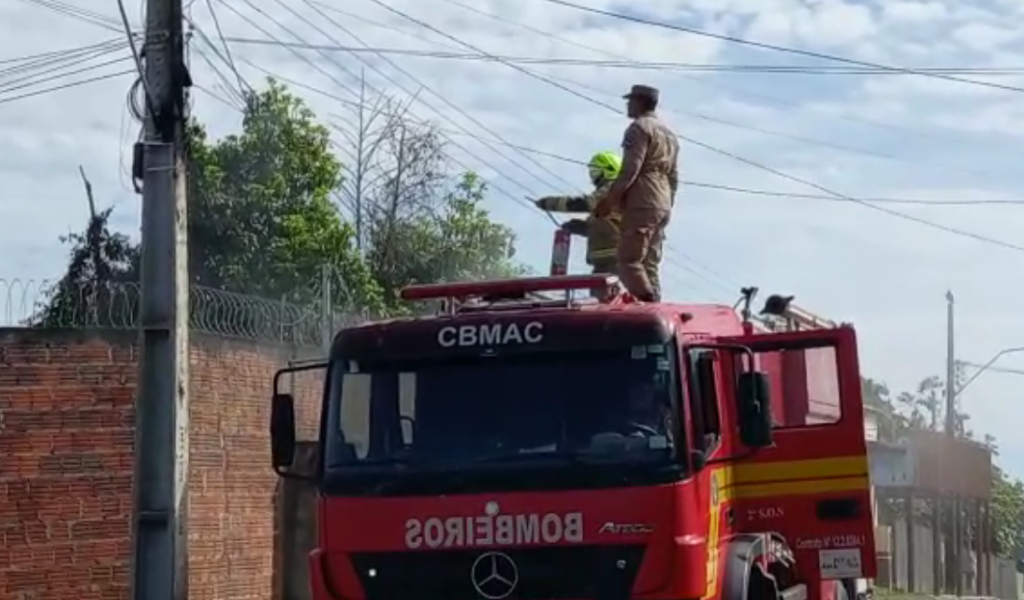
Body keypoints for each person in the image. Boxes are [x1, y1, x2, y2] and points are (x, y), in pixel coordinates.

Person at [597, 84, 680, 302]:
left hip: (643, 199)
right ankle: (656, 304)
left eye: (631, 100)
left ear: (640, 102)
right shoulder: (670, 135)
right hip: (663, 202)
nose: (628, 104)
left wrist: (610, 201)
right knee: (649, 263)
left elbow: (630, 169)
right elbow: (674, 176)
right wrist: (668, 204)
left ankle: (648, 306)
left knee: (628, 261)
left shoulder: (639, 128)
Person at [533, 151, 623, 294]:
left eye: (596, 172)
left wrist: (549, 203)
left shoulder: (613, 189)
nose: (593, 177)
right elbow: (607, 225)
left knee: (611, 303)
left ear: (610, 170)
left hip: (616, 258)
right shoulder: (611, 197)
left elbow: (584, 203)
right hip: (604, 259)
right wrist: (582, 228)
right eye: (591, 172)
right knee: (600, 303)